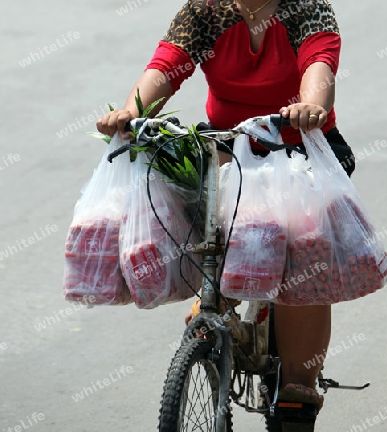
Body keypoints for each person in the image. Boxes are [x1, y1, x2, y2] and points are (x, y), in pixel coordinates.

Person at [97, 0, 355, 417]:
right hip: (229, 144)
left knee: (303, 250)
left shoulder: (307, 8)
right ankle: (217, 299)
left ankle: (298, 389)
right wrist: (132, 112)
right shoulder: (205, 12)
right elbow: (167, 65)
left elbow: (318, 63)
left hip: (299, 144)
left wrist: (310, 106)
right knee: (211, 216)